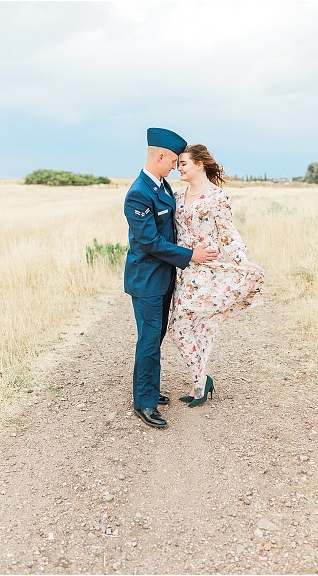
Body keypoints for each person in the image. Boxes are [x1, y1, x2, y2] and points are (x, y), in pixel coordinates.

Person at [123, 128, 218, 429]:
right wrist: (191, 256)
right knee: (149, 341)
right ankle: (145, 403)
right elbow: (150, 242)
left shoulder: (161, 186)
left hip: (164, 278)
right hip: (147, 281)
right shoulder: (139, 193)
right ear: (160, 156)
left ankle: (147, 387)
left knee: (156, 337)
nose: (176, 167)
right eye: (174, 161)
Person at [168, 144, 264, 406]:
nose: (179, 169)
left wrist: (243, 261)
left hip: (209, 272)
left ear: (199, 164)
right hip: (185, 271)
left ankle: (200, 383)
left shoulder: (217, 197)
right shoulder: (177, 197)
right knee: (179, 330)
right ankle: (202, 379)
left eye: (184, 164)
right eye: (177, 165)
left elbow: (228, 234)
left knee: (190, 327)